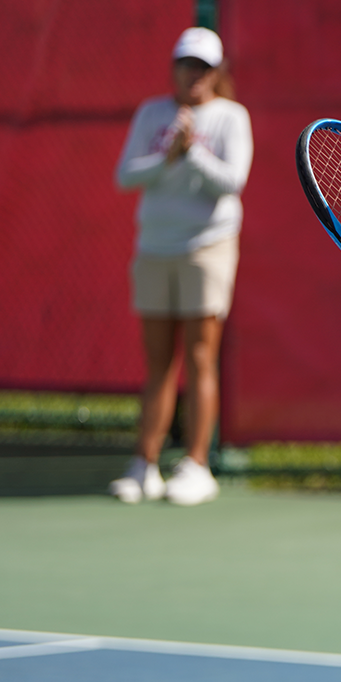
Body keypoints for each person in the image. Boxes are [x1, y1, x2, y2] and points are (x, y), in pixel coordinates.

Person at [110, 26, 253, 506]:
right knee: (158, 364)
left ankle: (196, 464)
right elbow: (126, 175)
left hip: (206, 248)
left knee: (199, 357)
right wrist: (168, 156)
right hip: (155, 247)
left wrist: (191, 152)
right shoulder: (152, 113)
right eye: (186, 64)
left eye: (203, 67)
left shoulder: (232, 118)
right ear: (174, 68)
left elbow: (231, 181)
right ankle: (144, 465)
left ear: (216, 73)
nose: (194, 74)